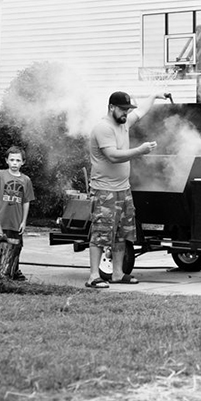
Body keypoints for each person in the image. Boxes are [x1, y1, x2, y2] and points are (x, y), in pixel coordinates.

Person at [85, 90, 169, 289]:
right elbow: (113, 156)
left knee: (122, 234)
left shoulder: (124, 123)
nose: (126, 113)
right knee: (101, 233)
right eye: (123, 109)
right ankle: (93, 276)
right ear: (112, 107)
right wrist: (140, 150)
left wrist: (155, 96)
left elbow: (141, 112)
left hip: (123, 189)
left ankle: (117, 273)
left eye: (127, 110)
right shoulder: (103, 128)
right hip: (105, 190)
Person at [0, 145, 35, 280]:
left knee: (16, 248)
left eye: (17, 160)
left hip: (16, 222)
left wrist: (24, 221)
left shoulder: (26, 180)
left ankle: (13, 270)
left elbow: (26, 201)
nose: (14, 163)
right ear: (7, 160)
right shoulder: (0, 174)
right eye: (12, 160)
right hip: (0, 221)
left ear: (23, 162)